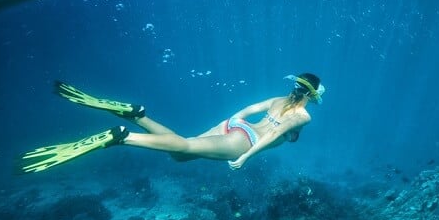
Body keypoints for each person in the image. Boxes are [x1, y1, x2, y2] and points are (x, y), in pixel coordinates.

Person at [18, 73, 324, 173]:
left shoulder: (278, 99)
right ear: (312, 97)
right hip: (243, 142)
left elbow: (245, 110)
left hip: (231, 126)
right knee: (185, 146)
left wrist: (226, 122)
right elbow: (273, 137)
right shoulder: (303, 116)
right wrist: (243, 157)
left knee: (180, 153)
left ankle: (137, 115)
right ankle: (122, 136)